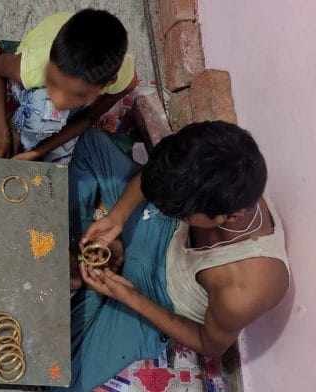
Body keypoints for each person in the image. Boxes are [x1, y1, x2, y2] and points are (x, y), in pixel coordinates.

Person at [62, 121, 289, 390]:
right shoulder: (213, 164)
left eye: (179, 211)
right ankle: (86, 250)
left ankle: (94, 286)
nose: (165, 207)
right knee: (91, 145)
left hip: (157, 295)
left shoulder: (245, 287)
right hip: (161, 229)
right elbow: (154, 178)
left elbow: (209, 344)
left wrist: (128, 296)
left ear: (230, 216)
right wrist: (117, 218)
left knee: (63, 378)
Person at [0, 9, 137, 162]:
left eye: (77, 94)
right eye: (53, 81)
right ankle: (16, 126)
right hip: (31, 84)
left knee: (61, 142)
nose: (59, 100)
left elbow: (90, 117)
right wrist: (1, 135)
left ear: (110, 81)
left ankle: (33, 135)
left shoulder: (123, 80)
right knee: (47, 115)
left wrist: (36, 152)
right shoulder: (33, 67)